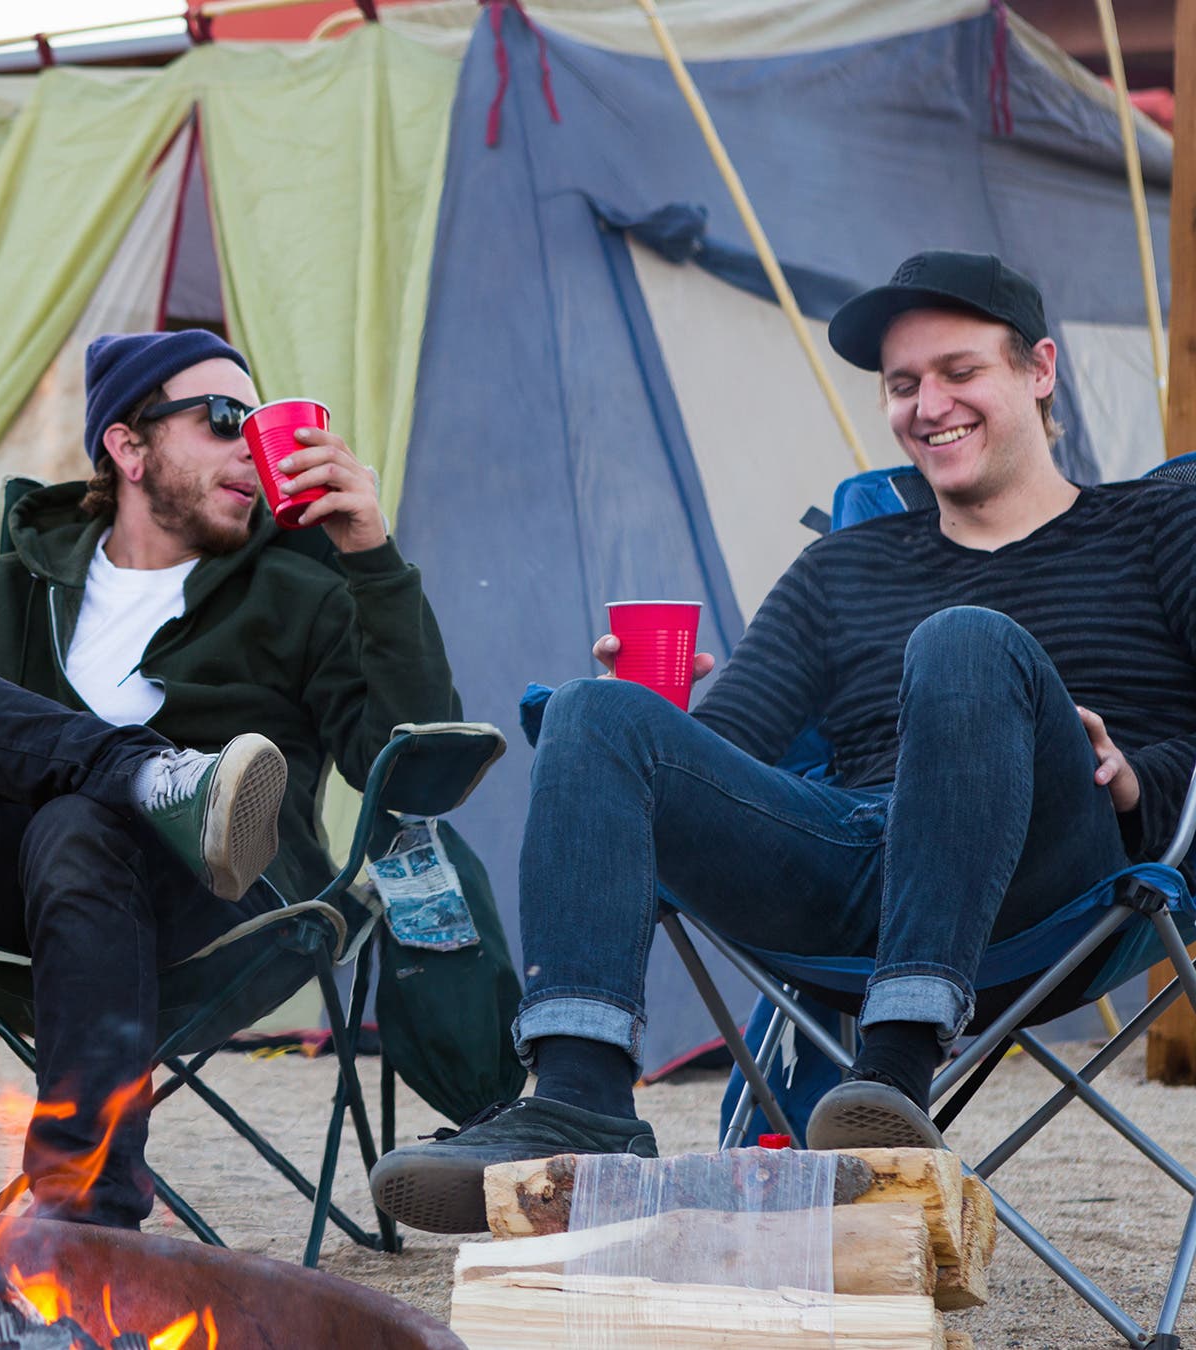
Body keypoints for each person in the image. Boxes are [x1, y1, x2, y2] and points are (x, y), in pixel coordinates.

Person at [371, 250, 1196, 1233]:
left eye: (959, 371)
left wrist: (1135, 779)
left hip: (1058, 871)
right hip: (852, 867)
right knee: (596, 715)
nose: (929, 405)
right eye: (903, 386)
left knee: (965, 639)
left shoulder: (1160, 522)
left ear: (1039, 370)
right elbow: (724, 757)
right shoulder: (841, 567)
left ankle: (893, 1067)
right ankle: (577, 1101)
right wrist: (654, 718)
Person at [0, 330, 460, 1228]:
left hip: (211, 903)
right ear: (128, 445)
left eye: (264, 423)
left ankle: (86, 1204)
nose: (255, 445)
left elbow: (416, 763)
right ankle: (150, 775)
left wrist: (373, 556)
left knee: (77, 824)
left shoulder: (299, 596)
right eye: (226, 419)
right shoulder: (2, 592)